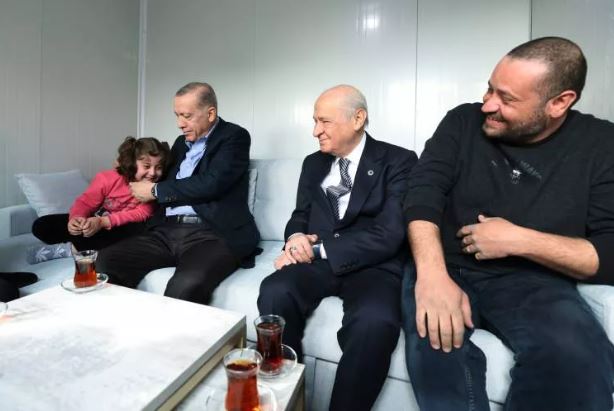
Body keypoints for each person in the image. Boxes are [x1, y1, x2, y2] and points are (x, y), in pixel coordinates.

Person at [402, 37, 614, 411]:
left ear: (559, 102)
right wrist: (431, 277)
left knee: (578, 359)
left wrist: (520, 240)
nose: (488, 104)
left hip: (534, 281)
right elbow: (422, 192)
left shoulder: (601, 144)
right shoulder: (462, 121)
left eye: (507, 99)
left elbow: (608, 253)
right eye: (490, 89)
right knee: (437, 353)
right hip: (445, 266)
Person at [258, 85, 417, 411]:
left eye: (325, 121)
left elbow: (389, 235)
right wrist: (295, 238)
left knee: (375, 322)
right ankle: (286, 398)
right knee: (274, 290)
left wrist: (316, 250)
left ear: (358, 119)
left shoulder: (399, 161)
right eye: (315, 121)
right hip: (317, 263)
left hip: (375, 265)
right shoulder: (313, 163)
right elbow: (300, 215)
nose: (316, 131)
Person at [97, 82, 260, 304]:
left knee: (185, 285)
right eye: (177, 115)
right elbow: (158, 173)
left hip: (211, 234)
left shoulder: (234, 136)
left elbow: (213, 182)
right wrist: (126, 167)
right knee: (107, 260)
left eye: (186, 116)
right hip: (166, 231)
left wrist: (155, 190)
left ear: (210, 114)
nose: (179, 124)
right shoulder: (180, 143)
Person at [28, 137, 170, 263]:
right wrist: (76, 219)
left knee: (140, 231)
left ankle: (70, 249)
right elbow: (85, 202)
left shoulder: (154, 188)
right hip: (94, 224)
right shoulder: (107, 178)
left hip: (119, 229)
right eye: (146, 166)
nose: (153, 173)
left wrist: (103, 222)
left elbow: (142, 213)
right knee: (41, 225)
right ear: (132, 163)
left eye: (158, 168)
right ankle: (80, 244)